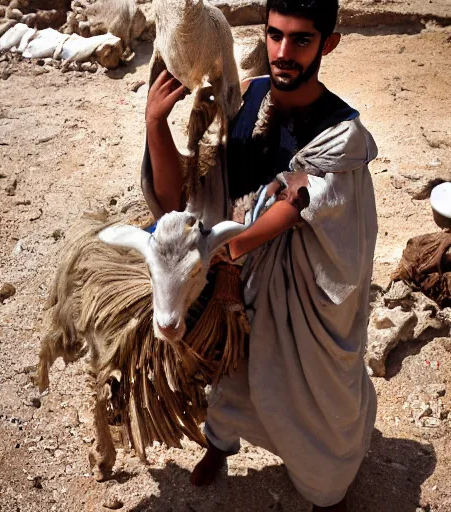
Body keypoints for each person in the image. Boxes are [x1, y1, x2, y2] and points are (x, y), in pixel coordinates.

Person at [142, 0, 378, 510]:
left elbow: (300, 206)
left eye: (301, 40)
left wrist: (230, 248)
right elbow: (173, 202)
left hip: (298, 296)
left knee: (311, 395)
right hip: (238, 280)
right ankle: (219, 443)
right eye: (275, 36)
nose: (283, 52)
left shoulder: (343, 132)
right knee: (233, 370)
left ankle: (326, 478)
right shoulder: (244, 99)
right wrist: (156, 124)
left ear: (328, 43)